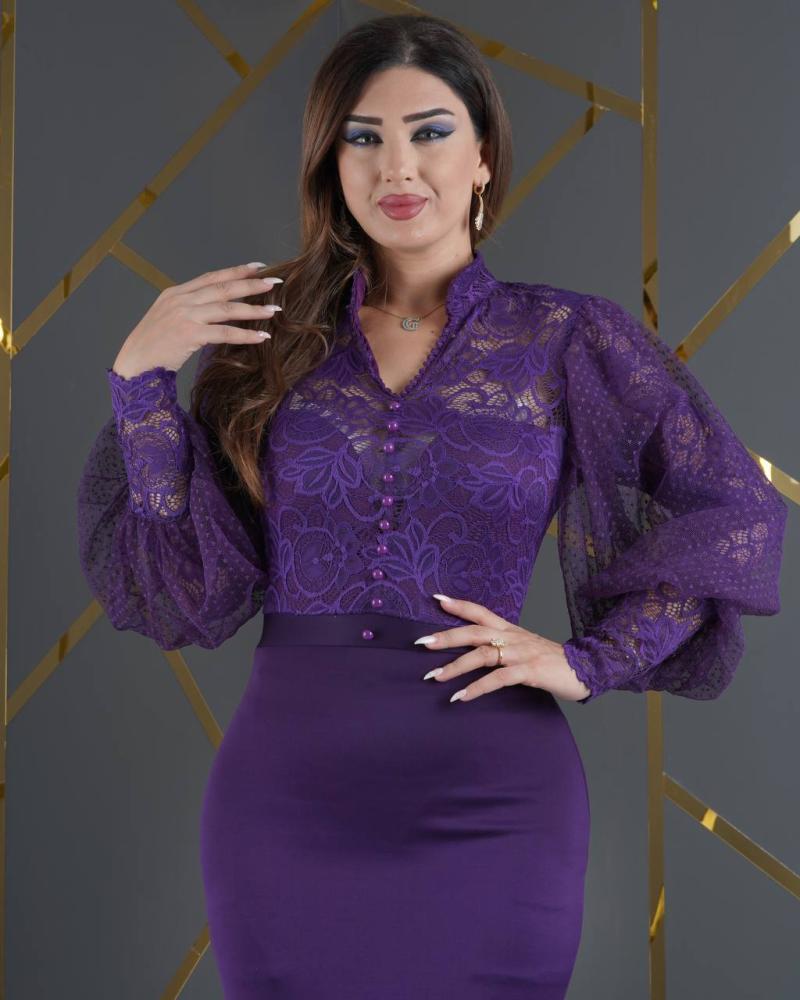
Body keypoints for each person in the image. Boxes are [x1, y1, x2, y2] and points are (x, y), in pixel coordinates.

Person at [75, 13, 787, 1000]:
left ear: (483, 155)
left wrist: (588, 660)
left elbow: (737, 515)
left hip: (495, 800)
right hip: (286, 797)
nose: (396, 167)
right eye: (362, 138)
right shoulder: (267, 343)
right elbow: (188, 590)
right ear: (331, 163)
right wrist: (139, 382)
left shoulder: (567, 337)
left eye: (430, 131)